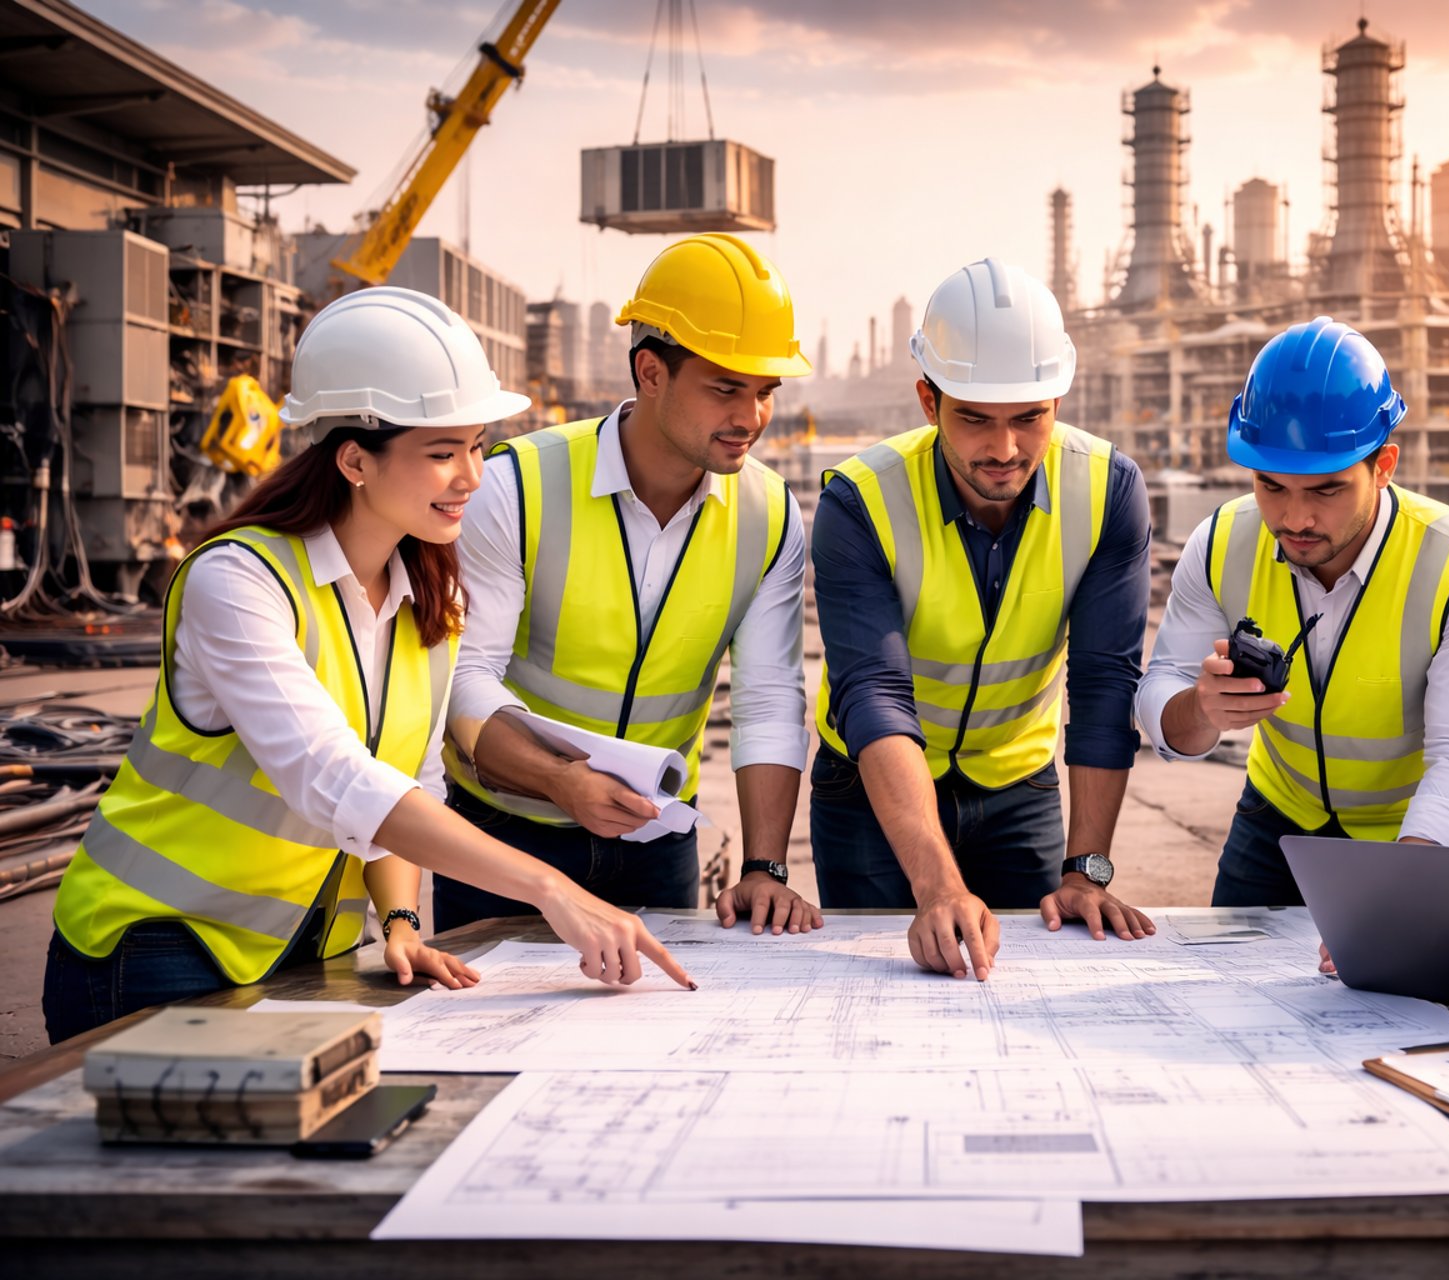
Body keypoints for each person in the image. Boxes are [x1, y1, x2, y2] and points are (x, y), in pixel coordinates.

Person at [43, 287, 691, 1044]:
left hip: (302, 953)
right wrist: (550, 888)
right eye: (442, 453)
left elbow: (409, 783)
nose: (472, 477)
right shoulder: (239, 581)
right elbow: (332, 775)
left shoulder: (430, 603)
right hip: (154, 946)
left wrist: (403, 919)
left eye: (477, 445)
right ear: (354, 458)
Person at [438, 234, 820, 938]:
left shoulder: (769, 516)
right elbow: (463, 680)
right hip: (504, 837)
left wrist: (766, 866)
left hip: (657, 845)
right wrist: (559, 781)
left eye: (766, 391)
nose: (751, 418)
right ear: (650, 372)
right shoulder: (516, 486)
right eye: (725, 388)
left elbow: (768, 698)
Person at [810, 258, 1154, 981]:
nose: (1003, 450)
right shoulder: (860, 499)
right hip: (871, 792)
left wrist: (1087, 870)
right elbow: (873, 690)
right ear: (927, 400)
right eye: (975, 419)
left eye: (1028, 419)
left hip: (1017, 790)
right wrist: (936, 885)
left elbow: (1103, 685)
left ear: (1058, 400)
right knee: (876, 994)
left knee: (1028, 991)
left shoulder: (1108, 490)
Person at [1137, 317, 1449, 921]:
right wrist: (1200, 709)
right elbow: (1161, 692)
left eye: (1325, 491)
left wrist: (1401, 891)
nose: (1295, 519)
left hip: (1422, 834)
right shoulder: (1219, 543)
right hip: (1278, 824)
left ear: (1385, 464)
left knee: (1431, 1013)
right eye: (1271, 487)